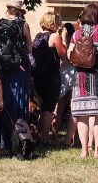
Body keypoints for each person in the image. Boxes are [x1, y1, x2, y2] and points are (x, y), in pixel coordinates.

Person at [67, 3, 98, 158]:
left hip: (80, 77)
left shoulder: (77, 33)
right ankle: (97, 151)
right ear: (97, 15)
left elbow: (69, 54)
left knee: (82, 115)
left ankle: (83, 151)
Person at [0, 0, 33, 153]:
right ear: (19, 11)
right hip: (18, 69)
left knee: (2, 102)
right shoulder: (23, 24)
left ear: (7, 9)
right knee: (18, 104)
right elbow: (29, 48)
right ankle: (18, 140)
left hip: (2, 68)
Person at [31, 12, 67, 144]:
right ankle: (44, 139)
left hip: (38, 76)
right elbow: (63, 55)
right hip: (51, 77)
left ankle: (37, 136)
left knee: (40, 107)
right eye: (57, 21)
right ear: (52, 22)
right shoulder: (54, 36)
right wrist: (63, 38)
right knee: (48, 108)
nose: (59, 23)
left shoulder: (38, 36)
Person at [53, 22, 78, 146]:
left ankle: (59, 135)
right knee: (68, 108)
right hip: (69, 74)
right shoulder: (75, 41)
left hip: (66, 74)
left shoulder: (68, 41)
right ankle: (70, 136)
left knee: (62, 108)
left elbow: (65, 56)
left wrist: (63, 38)